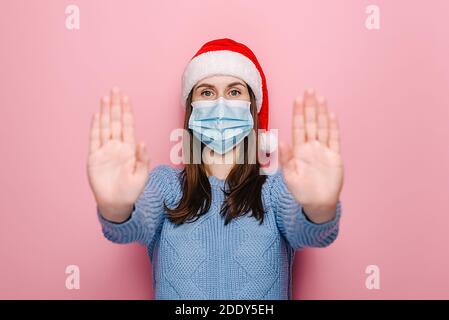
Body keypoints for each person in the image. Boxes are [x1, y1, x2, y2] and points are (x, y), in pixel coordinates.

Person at [87, 38, 344, 299]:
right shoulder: (165, 184)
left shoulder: (276, 188)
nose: (220, 104)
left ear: (253, 108)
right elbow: (129, 226)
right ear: (190, 109)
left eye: (234, 92)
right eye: (207, 92)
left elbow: (313, 233)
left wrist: (320, 208)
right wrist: (115, 207)